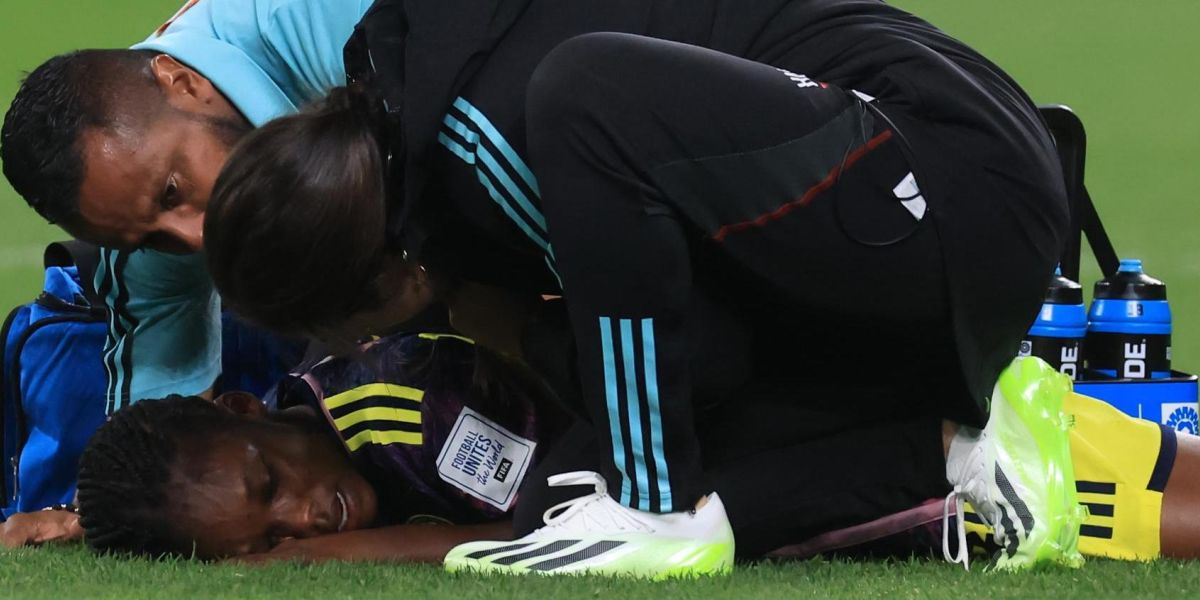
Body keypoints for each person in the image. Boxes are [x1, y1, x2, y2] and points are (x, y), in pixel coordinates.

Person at [203, 0, 1076, 576]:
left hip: (949, 177)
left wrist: (514, 334)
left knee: (583, 97)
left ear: (392, 278)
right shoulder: (406, 93)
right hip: (943, 216)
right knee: (571, 483)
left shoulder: (475, 147)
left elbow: (704, 362)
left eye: (353, 333)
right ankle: (957, 459)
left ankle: (652, 509)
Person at [8, 349, 1197, 569]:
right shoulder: (337, 419)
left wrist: (333, 558)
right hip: (885, 437)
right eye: (265, 540)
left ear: (246, 406)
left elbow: (564, 528)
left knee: (1168, 513)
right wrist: (70, 516)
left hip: (938, 459)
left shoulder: (393, 409)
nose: (307, 520)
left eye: (272, 489)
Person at [0, 0, 374, 413]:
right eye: (152, 240)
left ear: (184, 84)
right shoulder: (141, 196)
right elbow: (161, 437)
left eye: (172, 192)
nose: (197, 238)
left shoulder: (333, 22)